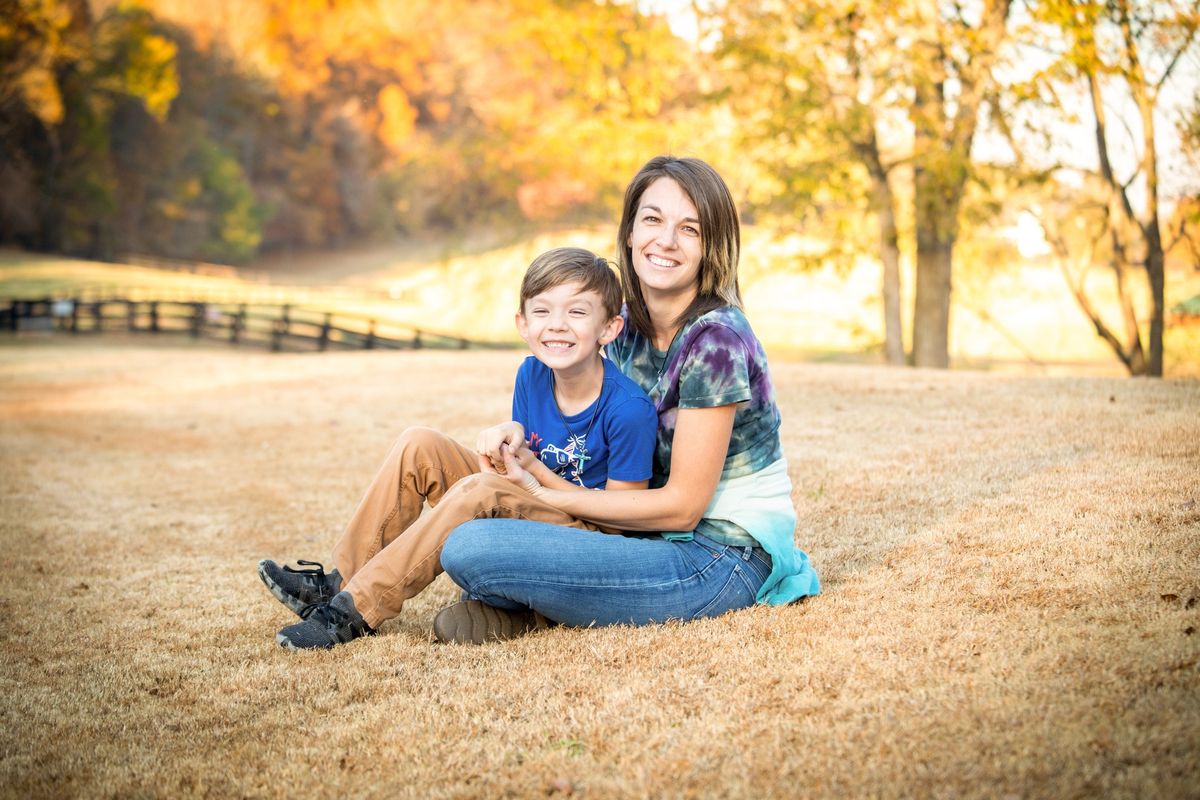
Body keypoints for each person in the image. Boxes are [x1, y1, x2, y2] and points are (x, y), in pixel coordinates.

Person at [433, 155, 820, 643]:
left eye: (690, 229)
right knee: (457, 476)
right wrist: (522, 450)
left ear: (711, 246)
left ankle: (532, 606)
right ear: (631, 232)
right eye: (653, 219)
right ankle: (356, 590)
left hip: (717, 556)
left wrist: (546, 496)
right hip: (636, 532)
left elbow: (683, 509)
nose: (665, 240)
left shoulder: (716, 341)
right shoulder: (621, 324)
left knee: (471, 547)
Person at [258, 247, 658, 650]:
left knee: (481, 491)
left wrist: (535, 475)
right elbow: (517, 475)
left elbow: (619, 524)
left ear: (609, 328)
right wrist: (509, 444)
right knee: (420, 444)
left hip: (588, 538)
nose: (557, 326)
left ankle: (354, 611)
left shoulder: (628, 410)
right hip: (537, 506)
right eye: (542, 312)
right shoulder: (532, 374)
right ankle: (340, 582)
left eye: (577, 312)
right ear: (522, 323)